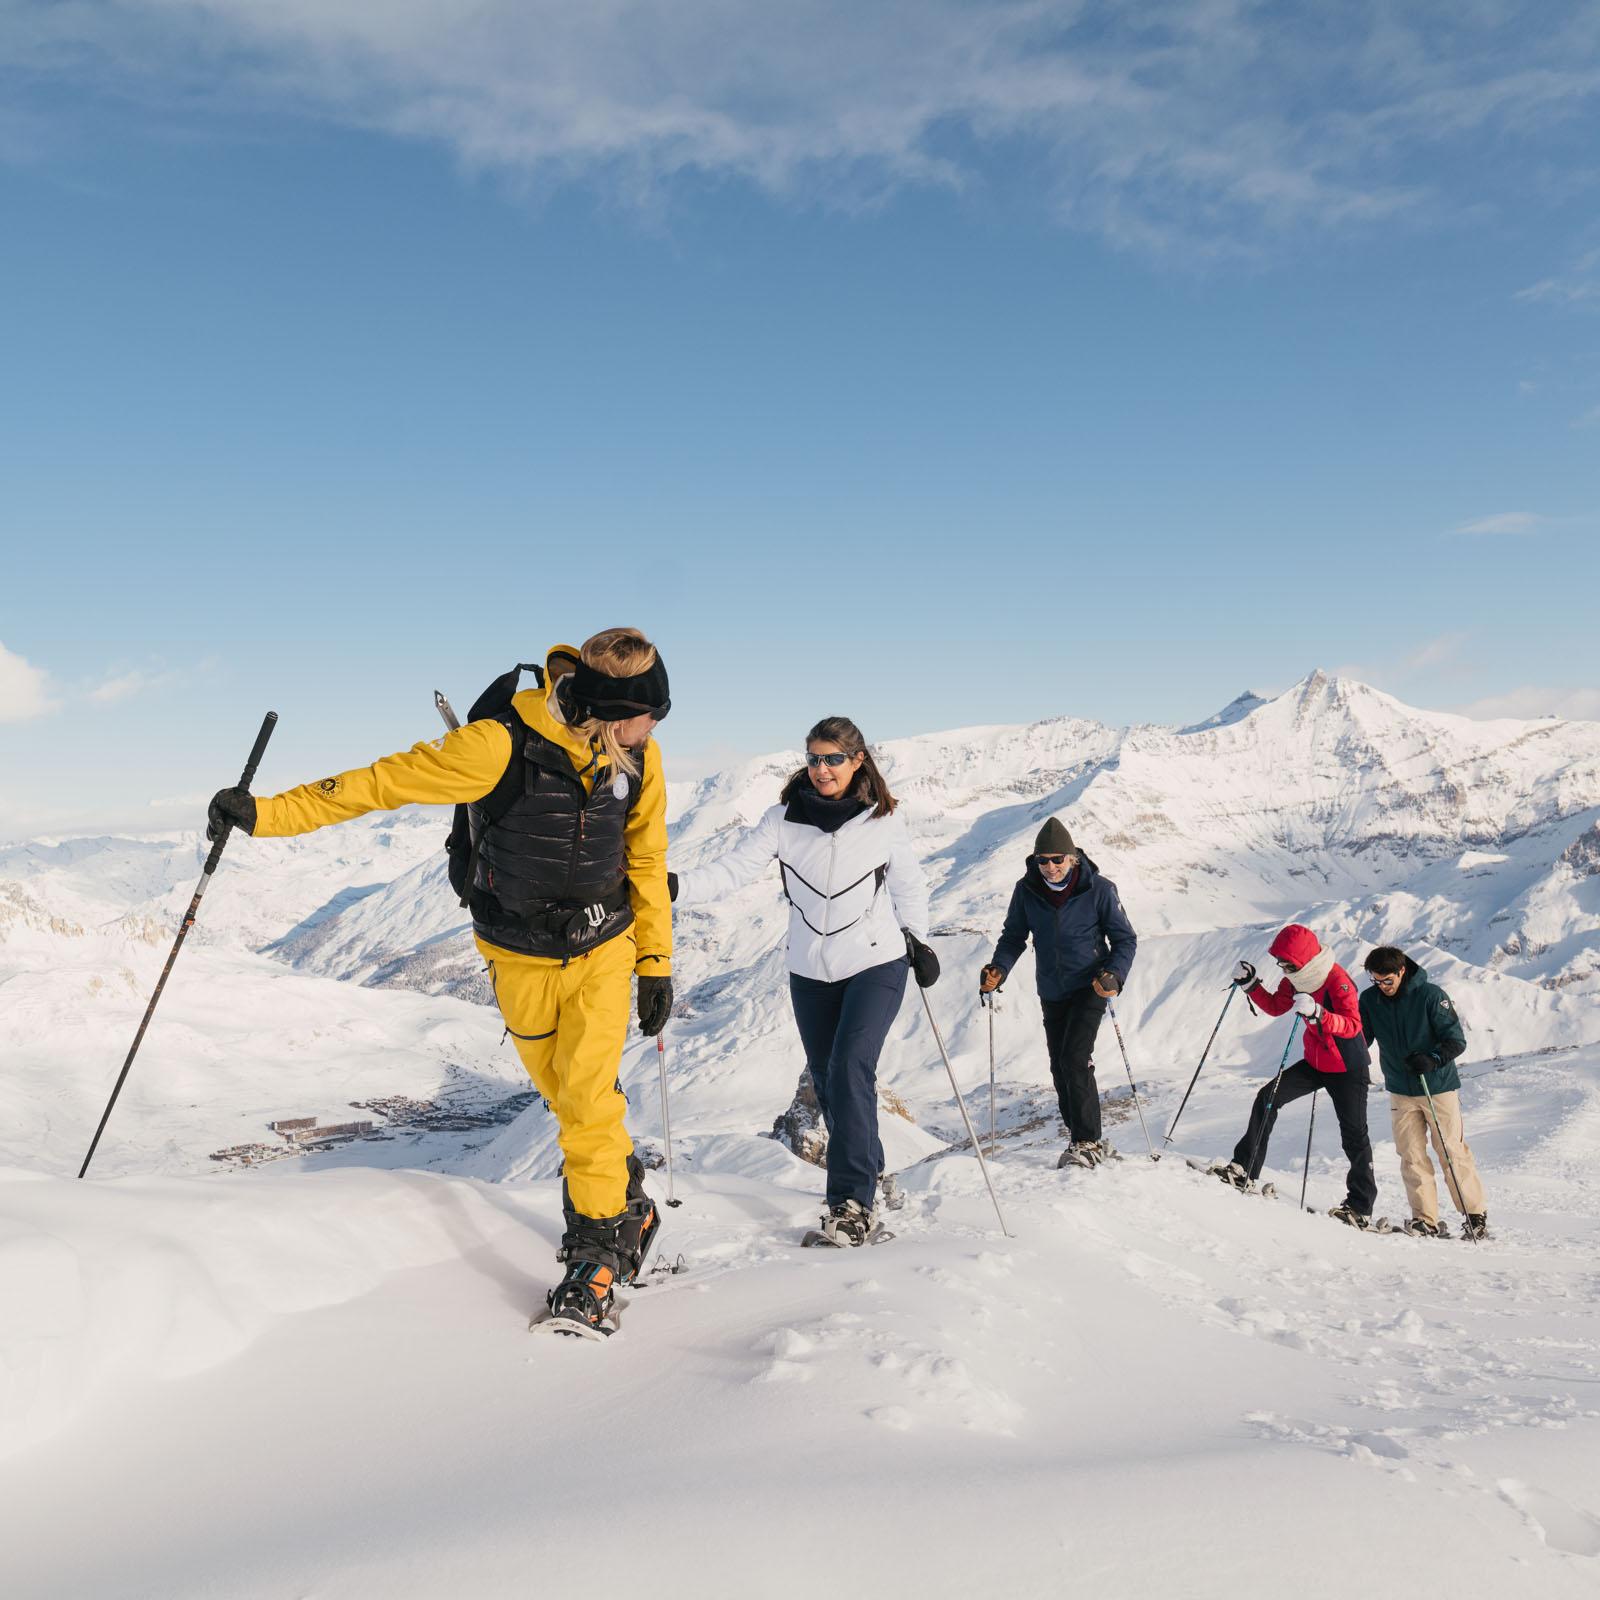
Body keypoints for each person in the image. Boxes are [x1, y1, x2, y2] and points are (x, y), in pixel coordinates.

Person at [207, 630, 673, 1334]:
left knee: (584, 1097)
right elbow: (379, 783)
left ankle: (597, 1255)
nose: (655, 730)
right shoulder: (496, 745)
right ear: (608, 712)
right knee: (567, 1097)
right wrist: (267, 815)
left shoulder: (639, 755)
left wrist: (654, 964)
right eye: (648, 716)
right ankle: (627, 1199)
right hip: (517, 954)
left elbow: (646, 854)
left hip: (604, 946)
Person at [669, 716, 934, 1246]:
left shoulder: (883, 821)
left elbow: (909, 885)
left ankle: (851, 1205)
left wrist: (919, 940)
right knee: (826, 1077)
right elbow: (732, 871)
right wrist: (671, 885)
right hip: (810, 970)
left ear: (858, 760)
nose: (821, 769)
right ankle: (871, 1170)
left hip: (877, 961)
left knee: (850, 1067)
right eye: (813, 758)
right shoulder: (782, 820)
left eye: (832, 758)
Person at [978, 818, 1137, 1168]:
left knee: (1074, 1058)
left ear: (1072, 858)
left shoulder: (1099, 889)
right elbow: (1013, 936)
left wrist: (1113, 975)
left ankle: (1088, 1141)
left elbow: (1125, 939)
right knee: (1058, 1065)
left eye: (1057, 859)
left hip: (1091, 985)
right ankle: (1079, 1136)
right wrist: (998, 969)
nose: (1050, 867)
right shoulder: (1027, 891)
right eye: (1043, 860)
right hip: (1052, 988)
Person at [1214, 923, 1376, 1226]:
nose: (1282, 968)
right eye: (1280, 963)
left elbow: (1353, 1026)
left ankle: (1360, 1206)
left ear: (1302, 959)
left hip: (1347, 1067)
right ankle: (1244, 1169)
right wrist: (1251, 985)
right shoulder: (1297, 977)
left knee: (1354, 1135)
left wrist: (1319, 1014)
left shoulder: (1337, 980)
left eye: (1286, 963)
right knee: (1268, 1097)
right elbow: (1277, 1006)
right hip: (1316, 1061)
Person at [1359, 946, 1487, 1240]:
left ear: (1401, 971)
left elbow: (1456, 1040)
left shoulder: (1431, 996)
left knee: (1451, 1151)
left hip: (1437, 1087)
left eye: (1387, 981)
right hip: (1400, 1089)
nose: (1382, 987)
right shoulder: (1369, 1000)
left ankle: (1474, 1215)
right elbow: (1362, 1037)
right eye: (1375, 980)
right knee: (1411, 1155)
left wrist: (1433, 1058)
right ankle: (1425, 1219)